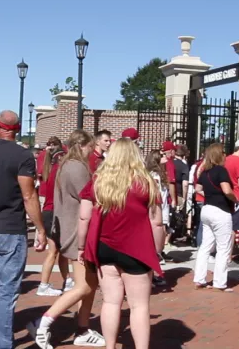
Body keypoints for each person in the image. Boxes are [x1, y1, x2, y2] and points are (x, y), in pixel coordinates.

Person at [0, 110, 47, 349]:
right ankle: (2, 344)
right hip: (12, 229)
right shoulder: (23, 155)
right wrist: (41, 229)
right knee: (7, 291)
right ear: (17, 129)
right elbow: (28, 194)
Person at [80, 138, 164, 349]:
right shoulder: (145, 182)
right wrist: (158, 250)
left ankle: (110, 346)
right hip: (137, 249)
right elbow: (157, 222)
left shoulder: (99, 180)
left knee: (110, 302)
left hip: (105, 246)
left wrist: (82, 246)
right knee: (139, 306)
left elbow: (84, 217)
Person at [28, 130, 106, 348]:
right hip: (76, 232)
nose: (93, 151)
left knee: (90, 284)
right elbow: (90, 200)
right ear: (83, 146)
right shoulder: (76, 167)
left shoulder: (65, 164)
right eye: (91, 147)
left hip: (71, 229)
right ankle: (43, 322)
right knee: (82, 287)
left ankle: (82, 329)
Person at [193, 143, 237, 292]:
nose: (225, 155)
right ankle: (220, 282)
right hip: (220, 211)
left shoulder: (205, 172)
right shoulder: (221, 171)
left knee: (205, 246)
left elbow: (198, 188)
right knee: (223, 248)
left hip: (207, 209)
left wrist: (210, 195)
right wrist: (234, 198)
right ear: (219, 154)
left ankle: (199, 278)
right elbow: (226, 190)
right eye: (224, 152)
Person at [36, 142, 71, 297]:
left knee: (62, 251)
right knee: (53, 251)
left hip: (51, 213)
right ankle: (43, 284)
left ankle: (68, 280)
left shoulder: (50, 170)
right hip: (53, 213)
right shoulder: (58, 171)